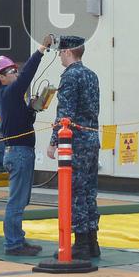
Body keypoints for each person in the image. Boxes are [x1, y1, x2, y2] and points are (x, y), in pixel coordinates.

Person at [0, 34, 55, 256]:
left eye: (15, 70)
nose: (16, 73)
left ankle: (18, 239)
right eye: (11, 72)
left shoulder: (11, 98)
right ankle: (13, 243)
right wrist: (40, 50)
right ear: (0, 78)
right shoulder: (9, 93)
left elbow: (24, 119)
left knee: (20, 199)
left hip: (21, 152)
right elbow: (27, 75)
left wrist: (32, 108)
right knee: (16, 201)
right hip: (19, 153)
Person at [46, 35, 100, 260]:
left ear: (68, 52)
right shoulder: (91, 75)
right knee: (89, 191)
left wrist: (53, 141)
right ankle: (91, 240)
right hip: (91, 138)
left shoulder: (70, 77)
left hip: (74, 141)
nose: (59, 55)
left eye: (61, 52)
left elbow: (64, 113)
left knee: (75, 192)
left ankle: (79, 243)